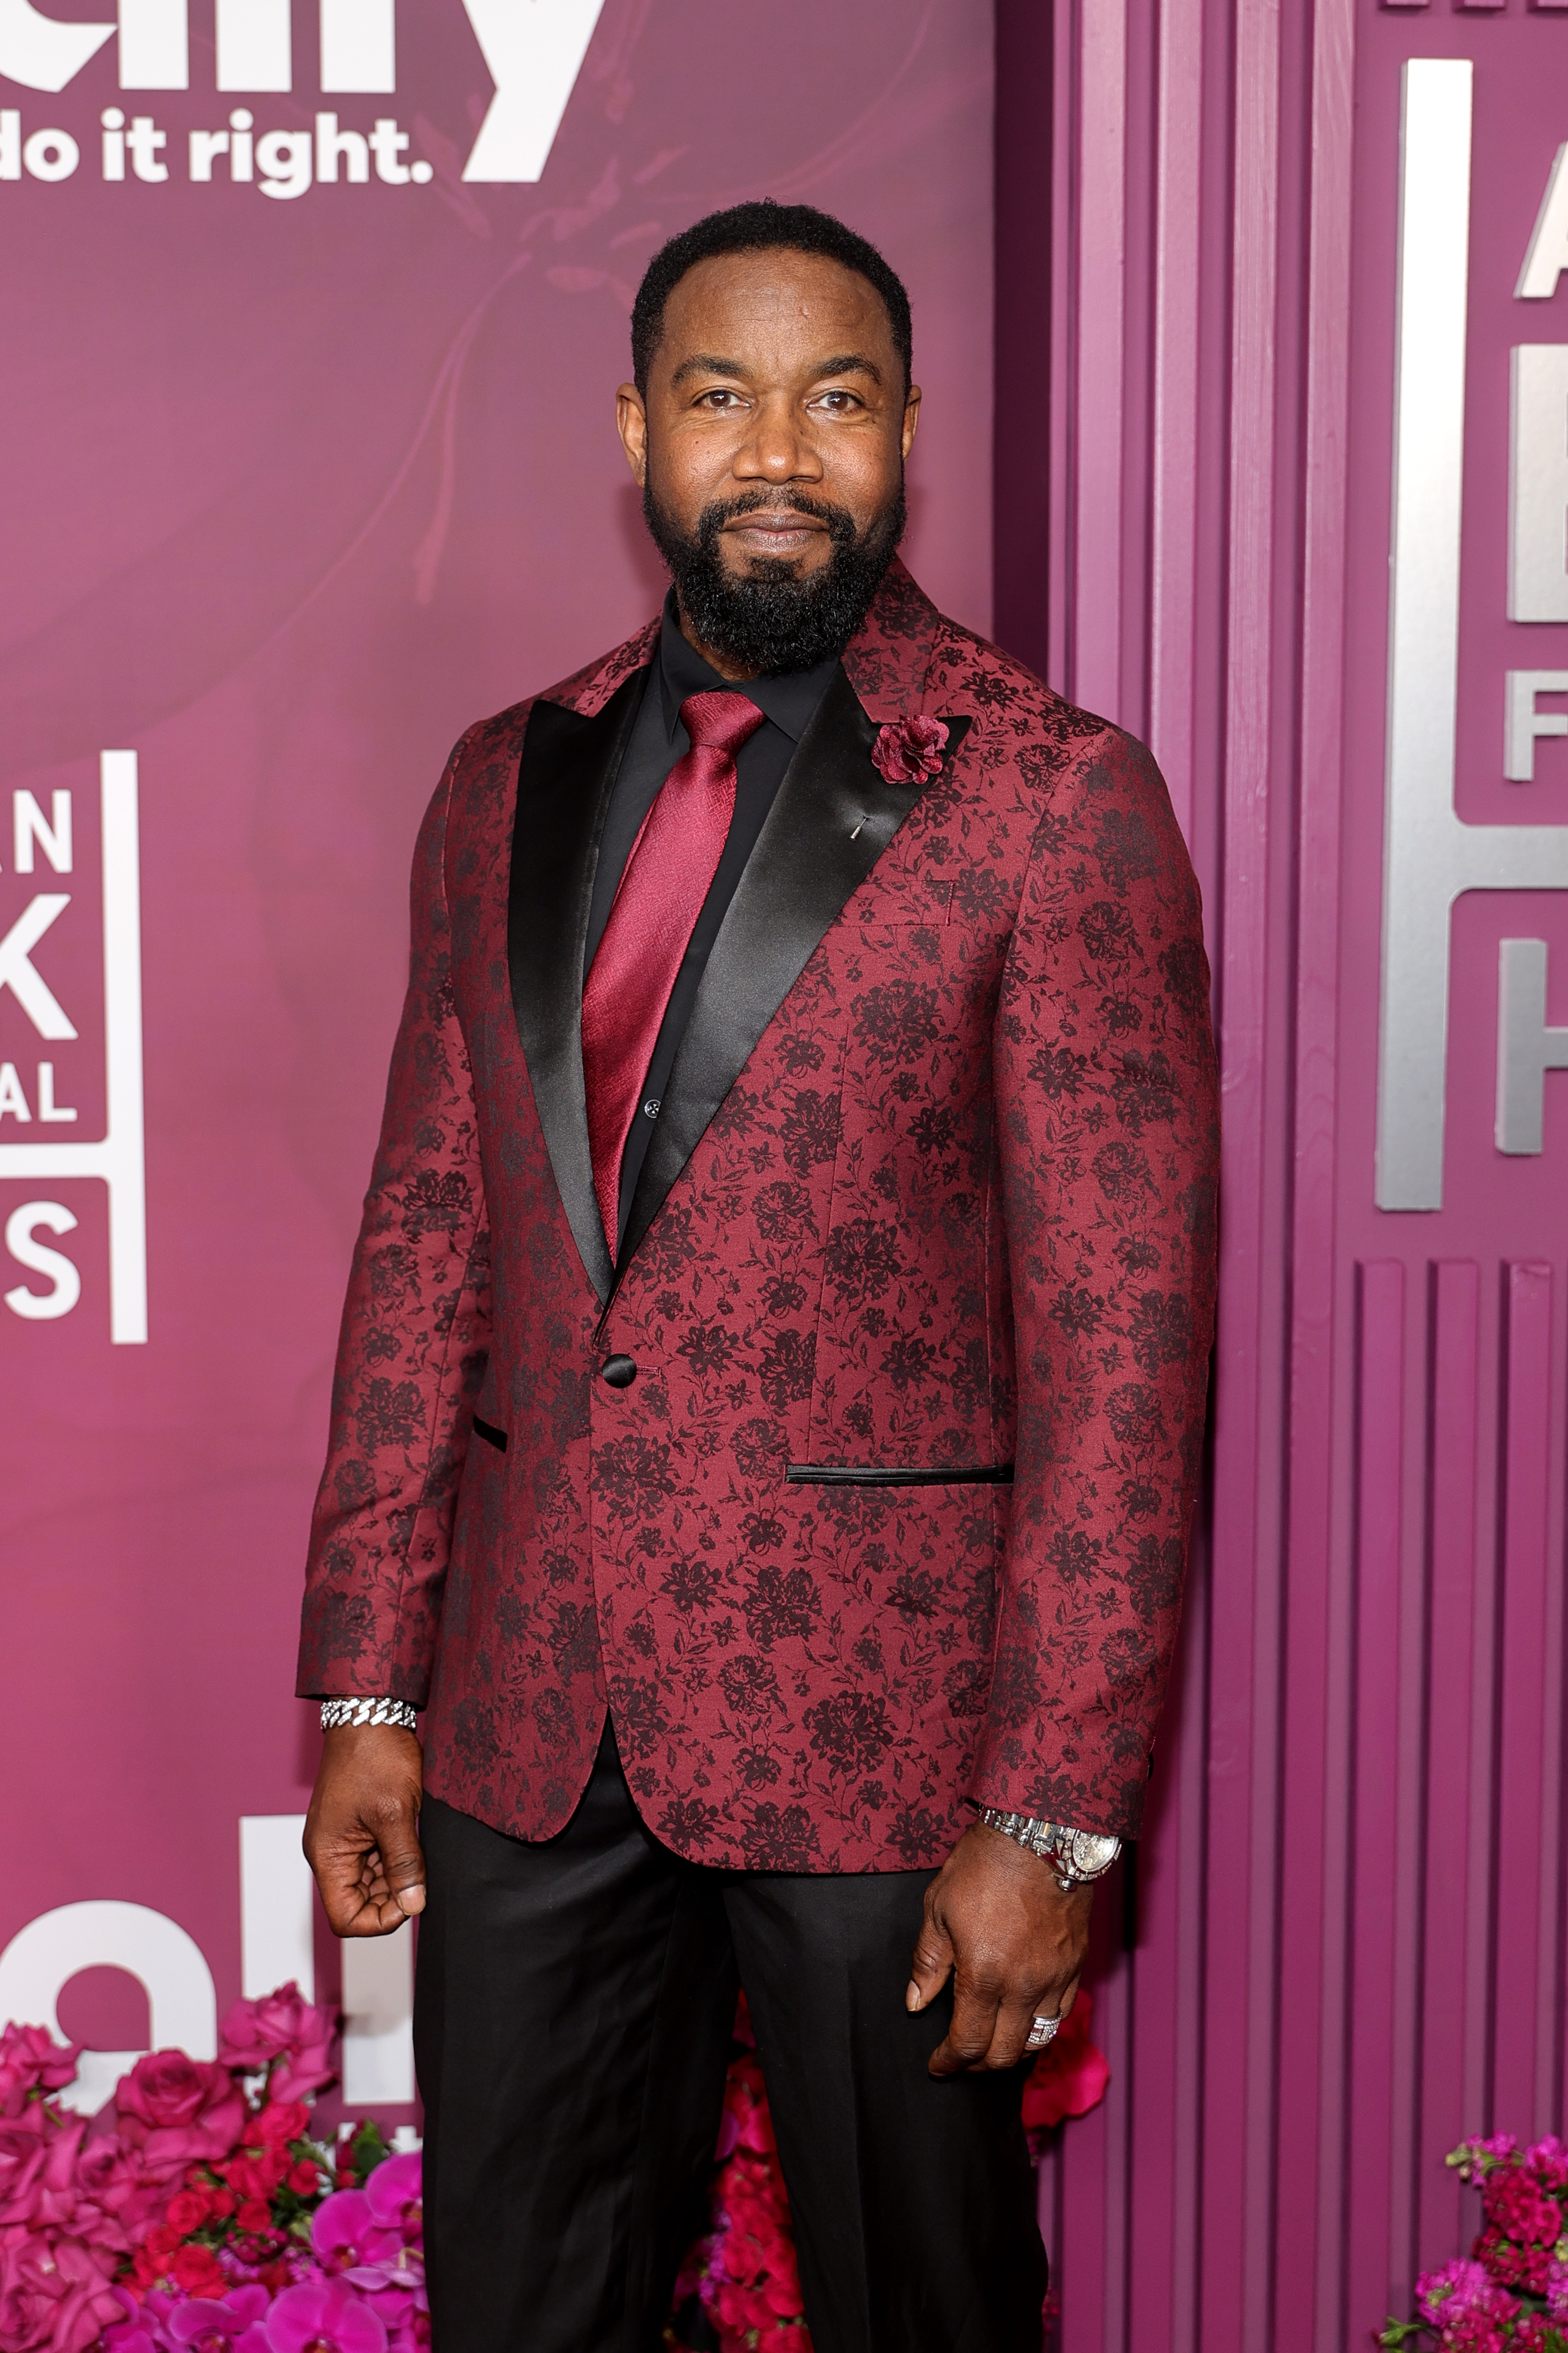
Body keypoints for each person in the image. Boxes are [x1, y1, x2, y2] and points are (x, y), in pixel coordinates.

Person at [296, 199, 1219, 2353]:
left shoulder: (1048, 798)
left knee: (925, 2307)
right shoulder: (500, 784)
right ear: (638, 431)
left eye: (837, 397)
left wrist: (1055, 1817)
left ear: (906, 436)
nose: (778, 450)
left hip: (890, 1750)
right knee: (522, 2306)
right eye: (722, 397)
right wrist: (366, 1684)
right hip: (530, 1726)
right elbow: (427, 1240)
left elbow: (1123, 1355)